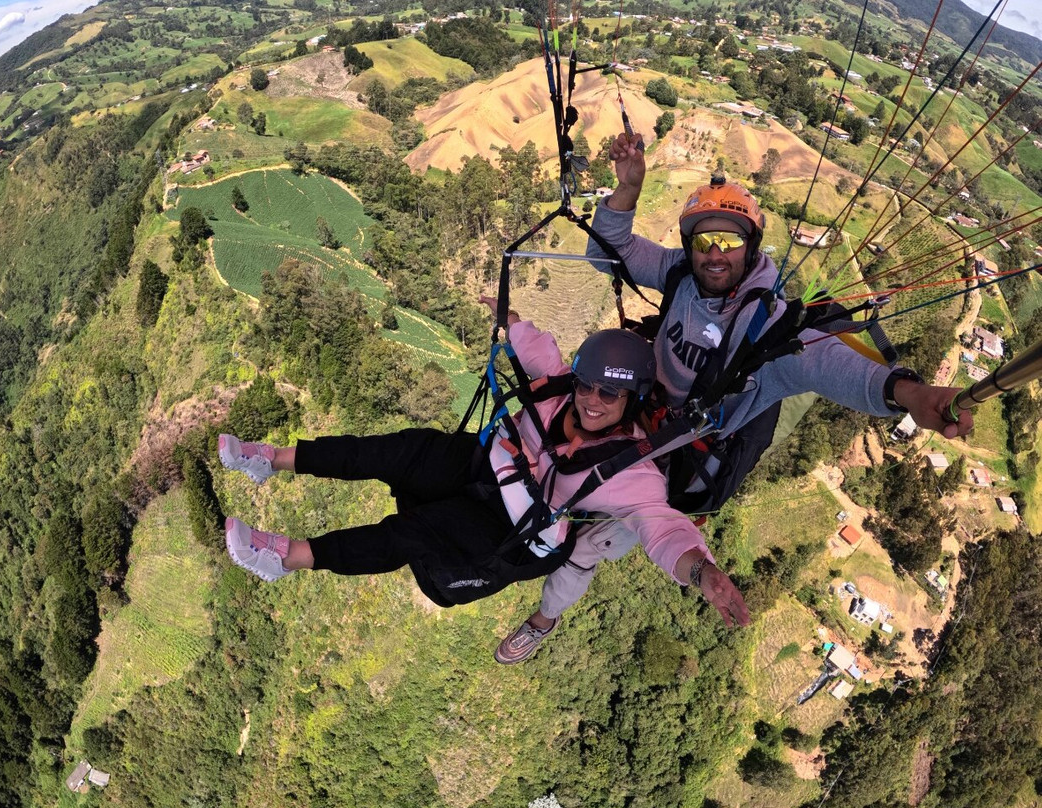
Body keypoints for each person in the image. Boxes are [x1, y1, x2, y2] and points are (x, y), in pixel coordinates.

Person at [492, 131, 974, 664]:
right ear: (690, 245)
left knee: (584, 550)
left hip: (678, 457)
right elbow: (612, 254)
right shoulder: (682, 275)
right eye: (704, 241)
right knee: (551, 446)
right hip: (636, 415)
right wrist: (627, 191)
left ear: (752, 246)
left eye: (729, 242)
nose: (715, 254)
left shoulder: (766, 329)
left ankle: (543, 620)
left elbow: (825, 363)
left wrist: (908, 393)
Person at [219, 299, 751, 628]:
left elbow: (663, 532)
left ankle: (283, 558)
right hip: (489, 464)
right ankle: (271, 460)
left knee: (411, 534)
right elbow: (540, 352)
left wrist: (701, 572)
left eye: (608, 396)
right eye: (587, 386)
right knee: (394, 450)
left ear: (631, 400)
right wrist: (511, 320)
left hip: (519, 527)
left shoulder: (632, 473)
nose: (591, 400)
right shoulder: (562, 390)